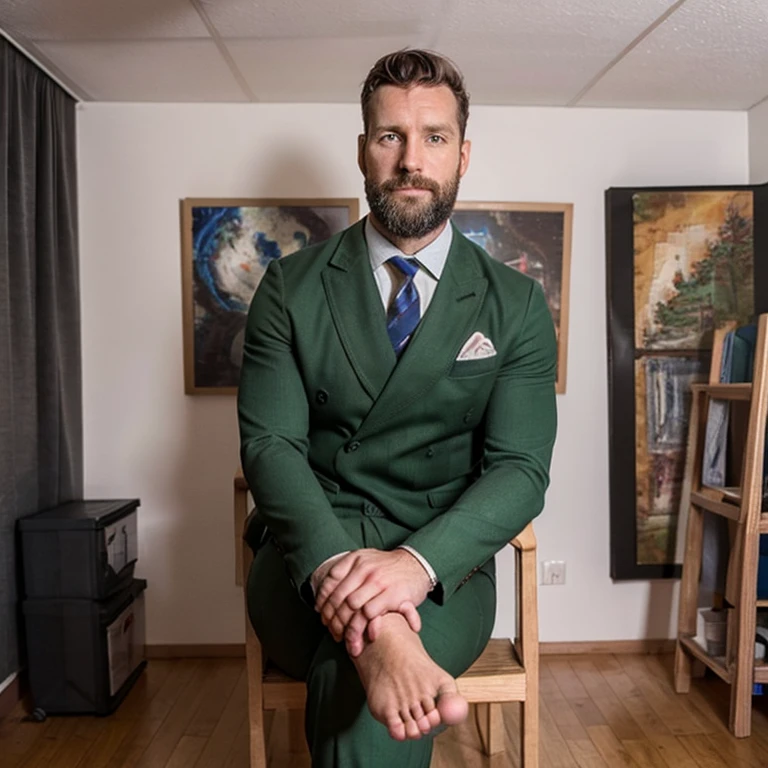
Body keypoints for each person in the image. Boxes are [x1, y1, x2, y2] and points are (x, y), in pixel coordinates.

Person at [238, 48, 557, 768]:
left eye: (434, 137)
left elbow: (520, 470)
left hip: (447, 568)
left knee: (354, 696)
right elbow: (271, 450)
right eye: (391, 137)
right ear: (362, 150)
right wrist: (366, 603)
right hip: (307, 555)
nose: (412, 159)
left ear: (462, 155)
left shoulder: (516, 305)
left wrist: (415, 564)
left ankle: (383, 638)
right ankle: (385, 641)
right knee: (371, 674)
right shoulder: (290, 287)